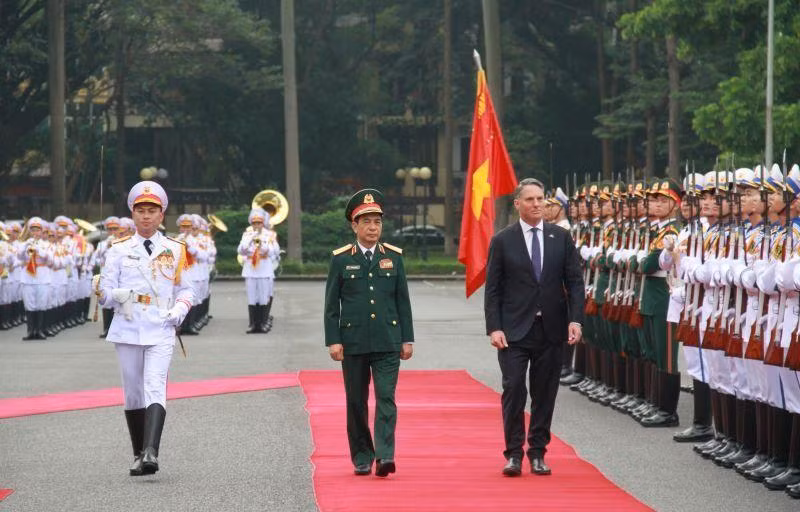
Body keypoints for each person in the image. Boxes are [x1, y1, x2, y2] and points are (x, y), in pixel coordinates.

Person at [484, 177, 584, 477]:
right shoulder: (503, 240)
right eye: (530, 200)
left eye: (541, 199)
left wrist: (575, 319)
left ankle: (537, 451)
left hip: (551, 329)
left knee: (545, 393)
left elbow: (575, 282)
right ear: (518, 204)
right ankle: (513, 453)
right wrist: (494, 327)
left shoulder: (560, 237)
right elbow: (493, 289)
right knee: (514, 388)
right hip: (514, 330)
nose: (537, 204)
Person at [94, 180, 193, 476]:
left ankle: (151, 451)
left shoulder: (175, 249)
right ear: (133, 215)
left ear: (162, 215)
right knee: (133, 393)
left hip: (160, 325)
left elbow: (188, 290)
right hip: (127, 326)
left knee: (154, 386)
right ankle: (138, 453)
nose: (146, 216)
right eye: (141, 210)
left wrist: (179, 310)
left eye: (152, 210)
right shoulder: (118, 249)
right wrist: (105, 294)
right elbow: (109, 292)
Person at [323, 188, 414, 478]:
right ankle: (362, 455)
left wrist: (407, 338)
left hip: (388, 341)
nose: (373, 227)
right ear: (354, 225)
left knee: (386, 397)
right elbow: (331, 306)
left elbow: (403, 302)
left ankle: (385, 456)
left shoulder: (394, 258)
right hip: (354, 342)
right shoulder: (340, 260)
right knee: (356, 401)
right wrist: (333, 340)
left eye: (377, 222)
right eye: (367, 222)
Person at [238, 208, 279, 333]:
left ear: (263, 223)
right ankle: (252, 324)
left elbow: (274, 251)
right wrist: (250, 239)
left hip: (264, 269)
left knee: (262, 297)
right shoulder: (247, 234)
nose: (257, 225)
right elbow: (240, 250)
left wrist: (262, 245)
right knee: (252, 297)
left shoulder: (270, 235)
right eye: (254, 223)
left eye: (259, 223)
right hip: (250, 269)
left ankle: (262, 323)